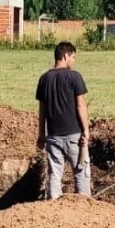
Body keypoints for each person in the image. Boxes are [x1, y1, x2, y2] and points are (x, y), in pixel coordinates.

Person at [36, 41, 91, 198]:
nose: (73, 60)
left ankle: (54, 209)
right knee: (81, 171)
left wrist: (41, 134)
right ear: (65, 55)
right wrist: (86, 130)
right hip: (74, 136)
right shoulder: (74, 76)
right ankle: (85, 207)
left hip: (53, 136)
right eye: (73, 57)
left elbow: (42, 110)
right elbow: (80, 105)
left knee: (54, 174)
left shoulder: (44, 79)